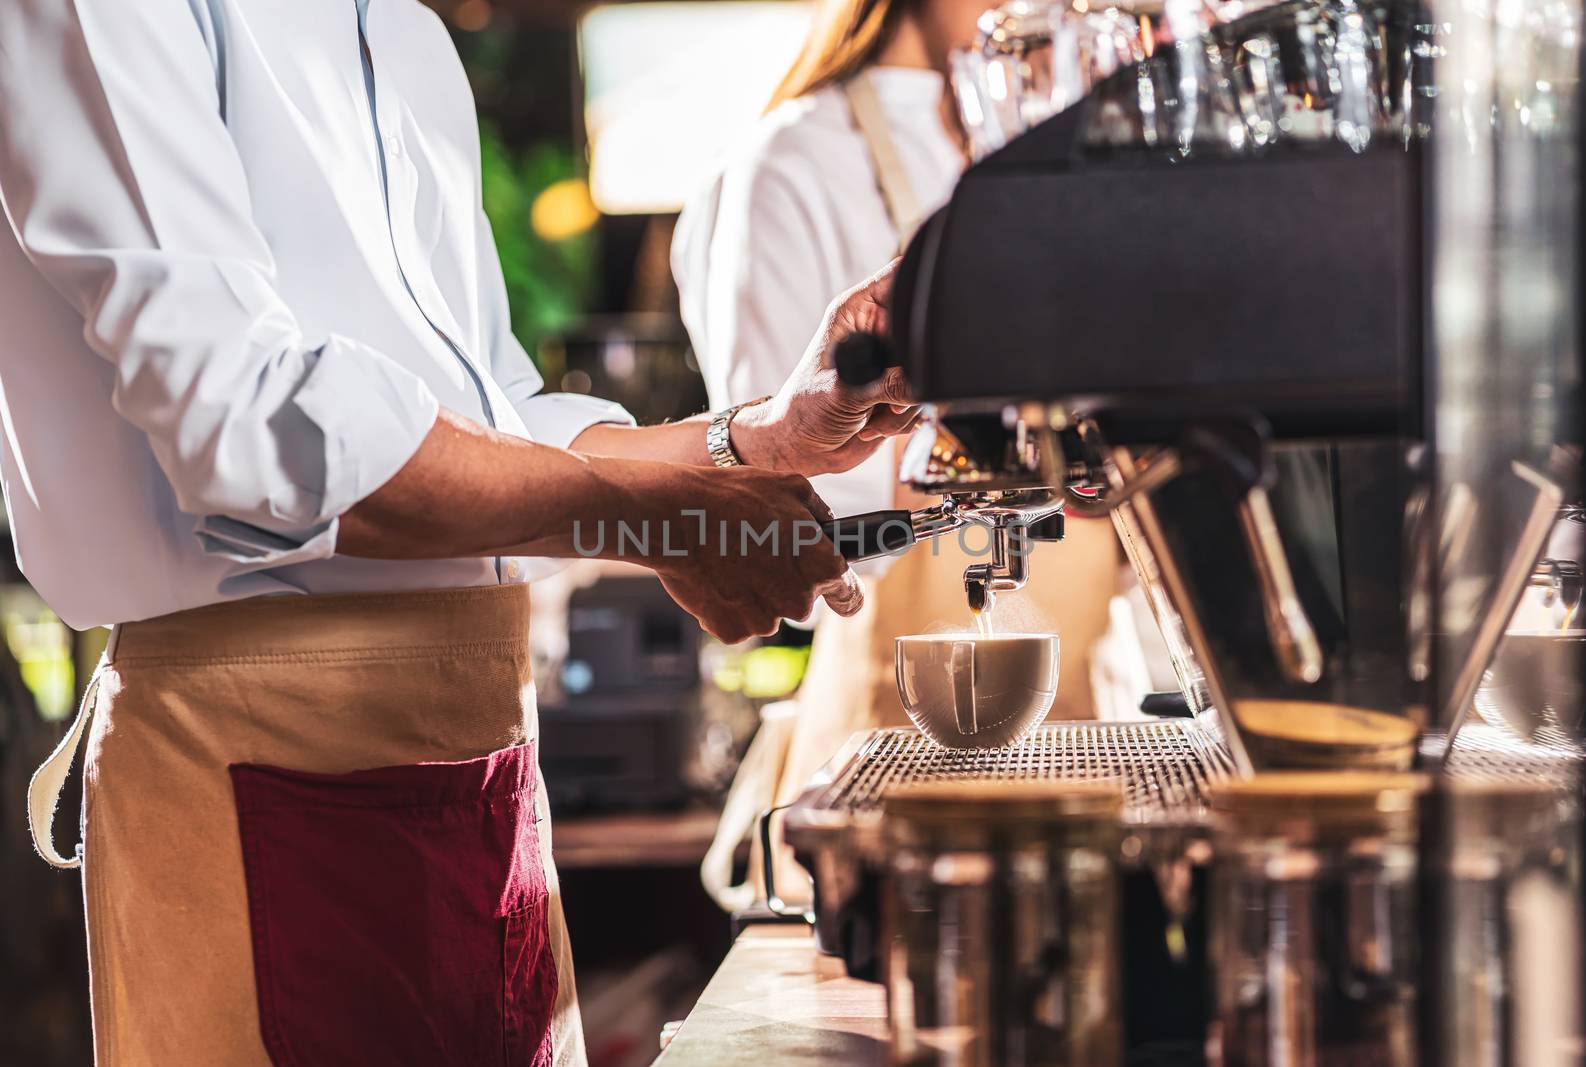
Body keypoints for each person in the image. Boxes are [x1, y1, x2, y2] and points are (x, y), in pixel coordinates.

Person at [0, 4, 916, 1064]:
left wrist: (751, 438)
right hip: (258, 769)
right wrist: (653, 516)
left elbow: (496, 435)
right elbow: (251, 430)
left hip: (479, 763)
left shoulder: (402, 33)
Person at [674, 0, 1131, 908]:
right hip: (891, 732)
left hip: (1083, 725)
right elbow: (773, 492)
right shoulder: (791, 162)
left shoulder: (1047, 143)